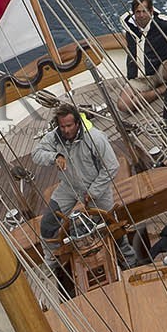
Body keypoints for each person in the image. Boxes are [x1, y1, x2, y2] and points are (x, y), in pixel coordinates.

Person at [31, 102, 136, 269]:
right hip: (68, 187)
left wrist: (94, 191)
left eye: (69, 125)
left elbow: (111, 166)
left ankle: (128, 260)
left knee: (111, 226)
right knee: (47, 225)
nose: (65, 130)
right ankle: (54, 262)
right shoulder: (54, 137)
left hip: (96, 188)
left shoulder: (95, 138)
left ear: (77, 123)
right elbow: (36, 154)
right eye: (62, 126)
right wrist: (55, 156)